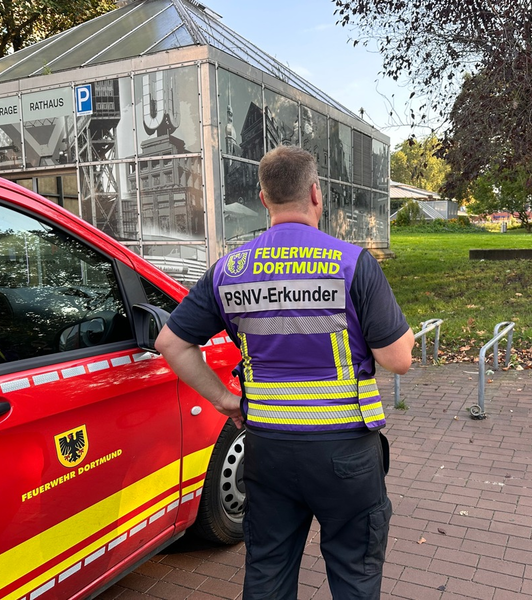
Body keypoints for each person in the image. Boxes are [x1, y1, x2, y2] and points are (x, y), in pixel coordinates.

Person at [156, 145, 414, 599]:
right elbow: (398, 359)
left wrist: (224, 401)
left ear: (263, 198)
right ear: (316, 194)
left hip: (266, 450)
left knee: (268, 571)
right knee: (355, 575)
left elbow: (171, 343)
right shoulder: (353, 264)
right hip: (346, 455)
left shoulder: (229, 271)